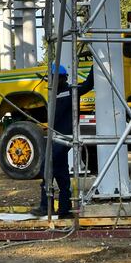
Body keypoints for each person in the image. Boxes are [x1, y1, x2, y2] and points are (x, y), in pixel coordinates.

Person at [33, 62, 93, 218]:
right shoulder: (54, 93)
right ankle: (64, 210)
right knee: (61, 174)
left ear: (60, 78)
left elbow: (88, 84)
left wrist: (95, 65)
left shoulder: (70, 91)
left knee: (47, 170)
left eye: (52, 78)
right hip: (56, 138)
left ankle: (46, 206)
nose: (50, 82)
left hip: (63, 138)